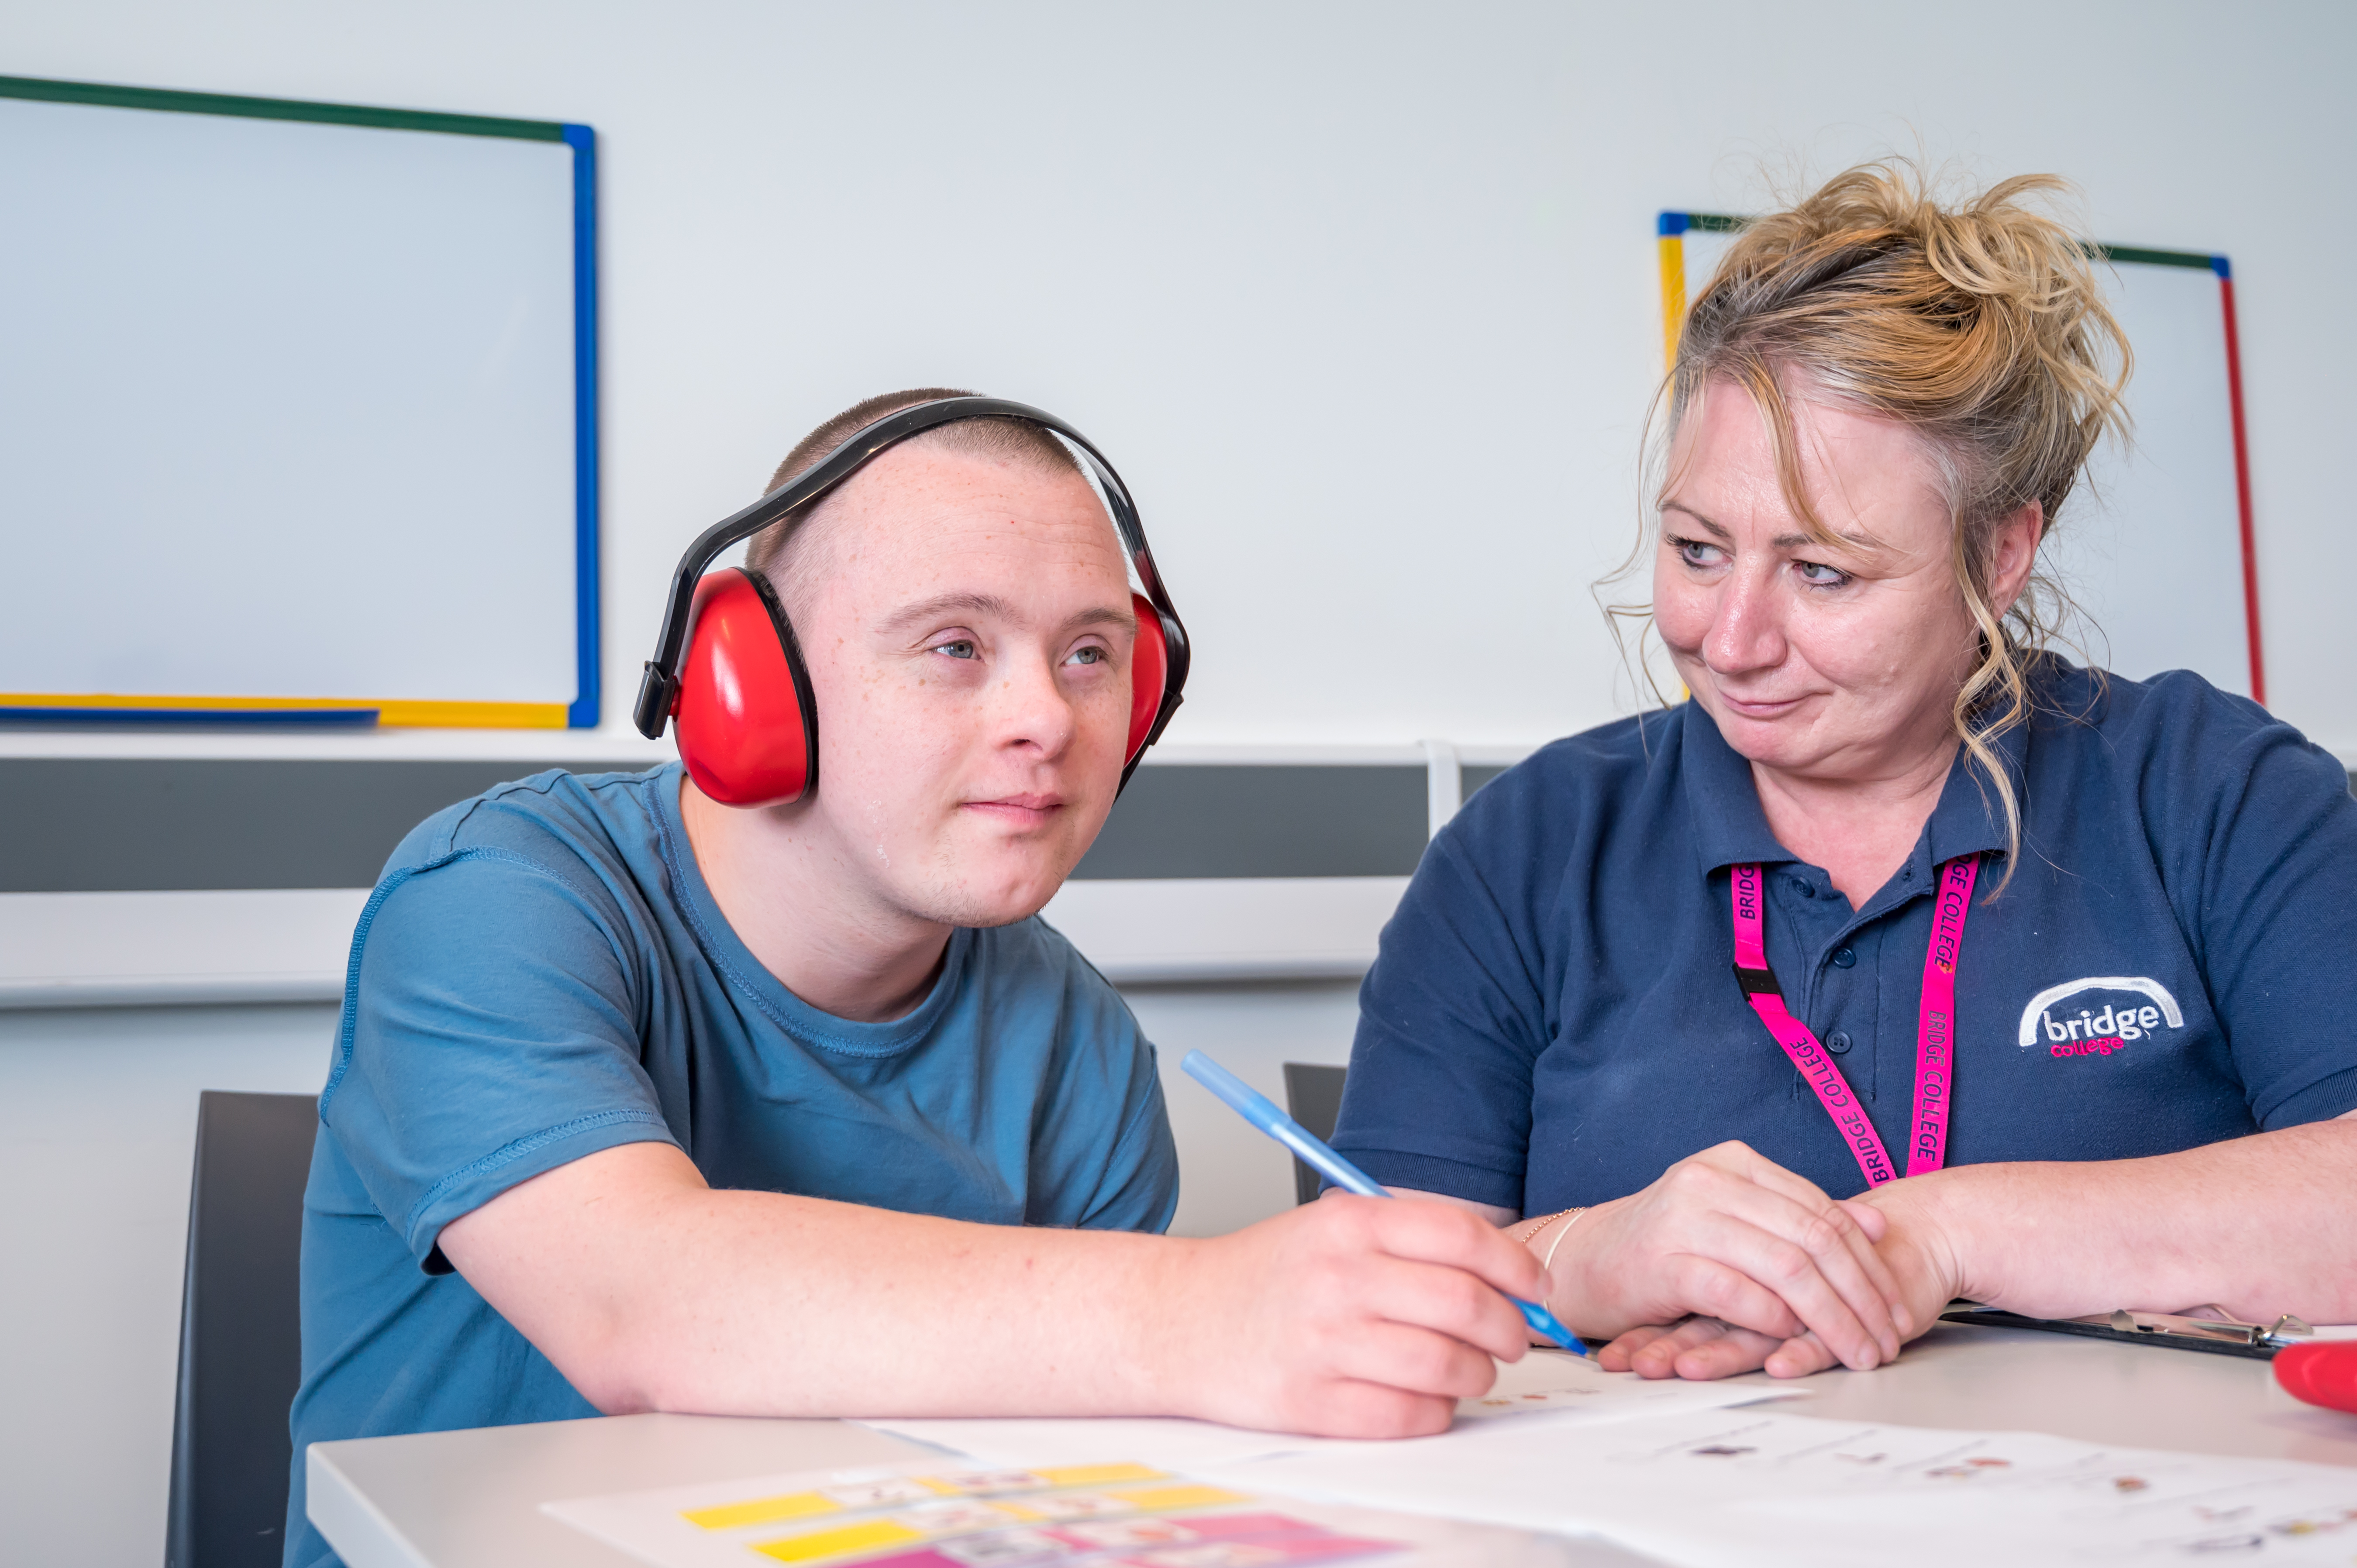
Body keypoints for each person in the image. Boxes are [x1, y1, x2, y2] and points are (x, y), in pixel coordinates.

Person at [283, 390, 1554, 1568]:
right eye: (955, 645)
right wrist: (1199, 1313)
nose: (1047, 720)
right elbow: (638, 1306)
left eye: (1091, 654)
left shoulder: (1076, 1042)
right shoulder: (496, 897)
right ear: (750, 684)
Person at [1330, 164, 2357, 1383]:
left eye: (1824, 574)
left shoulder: (2218, 796)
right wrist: (1590, 1259)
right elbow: (1364, 1294)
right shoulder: (1525, 857)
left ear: (2003, 548)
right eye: (1699, 550)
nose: (1733, 640)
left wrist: (1938, 1234)